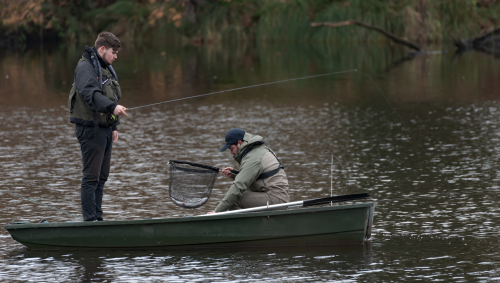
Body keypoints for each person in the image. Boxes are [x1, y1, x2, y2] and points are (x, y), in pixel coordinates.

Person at [68, 31, 128, 221]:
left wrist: (114, 127)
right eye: (114, 52)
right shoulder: (85, 67)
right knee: (91, 178)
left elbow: (109, 95)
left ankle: (98, 220)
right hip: (90, 129)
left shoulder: (104, 66)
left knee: (101, 178)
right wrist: (113, 108)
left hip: (104, 129)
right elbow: (90, 94)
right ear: (102, 49)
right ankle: (90, 221)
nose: (116, 56)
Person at [208, 129, 290, 214]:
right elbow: (254, 178)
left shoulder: (253, 157)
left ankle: (245, 227)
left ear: (240, 143)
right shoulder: (257, 150)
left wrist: (217, 211)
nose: (232, 153)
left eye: (232, 148)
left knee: (235, 199)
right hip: (277, 197)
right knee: (239, 196)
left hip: (276, 199)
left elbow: (238, 187)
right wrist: (234, 174)